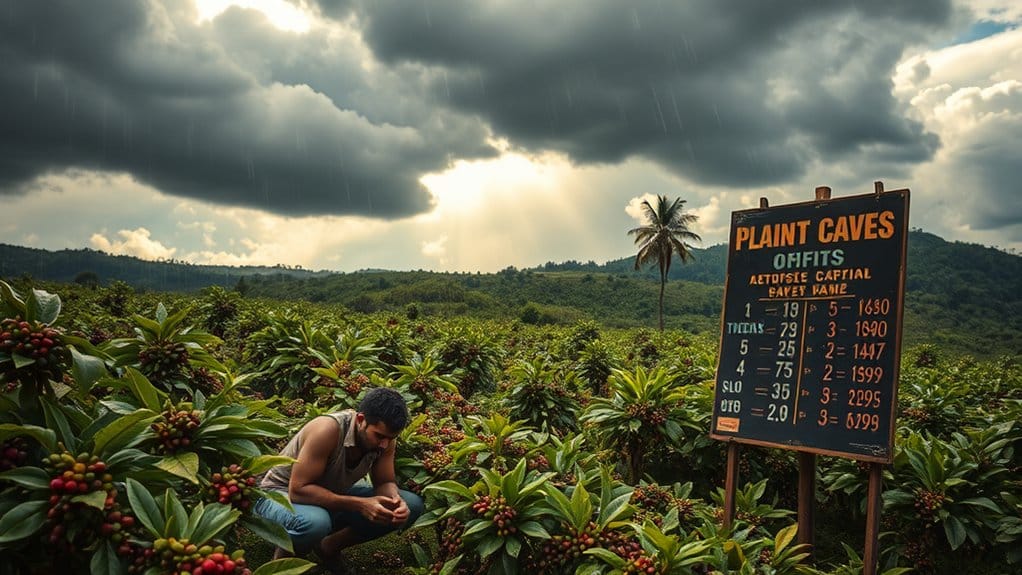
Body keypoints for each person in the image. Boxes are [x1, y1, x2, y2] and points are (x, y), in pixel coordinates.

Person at [254, 387, 424, 571]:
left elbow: (384, 482)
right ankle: (278, 568)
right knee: (316, 523)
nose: (384, 444)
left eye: (390, 438)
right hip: (278, 493)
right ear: (360, 420)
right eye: (379, 436)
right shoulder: (327, 430)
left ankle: (329, 547)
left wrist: (395, 502)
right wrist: (361, 504)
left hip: (330, 493)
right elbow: (298, 491)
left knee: (412, 504)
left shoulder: (385, 440)